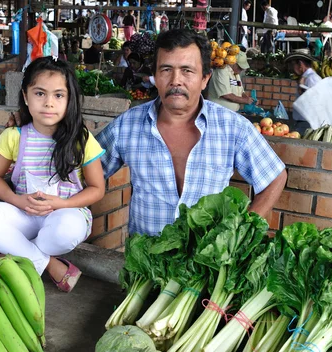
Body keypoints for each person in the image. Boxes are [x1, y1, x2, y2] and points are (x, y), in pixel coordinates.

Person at [96, 29, 287, 237]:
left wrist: (241, 233)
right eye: (166, 70)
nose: (176, 80)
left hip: (207, 265)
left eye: (187, 70)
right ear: (155, 77)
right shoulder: (127, 125)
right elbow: (84, 169)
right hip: (146, 264)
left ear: (205, 78)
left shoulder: (233, 128)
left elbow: (275, 177)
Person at [0, 57, 105, 292]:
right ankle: (49, 263)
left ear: (69, 99)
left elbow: (97, 189)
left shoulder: (81, 139)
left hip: (65, 215)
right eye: (40, 93)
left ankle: (19, 255)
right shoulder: (15, 136)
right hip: (24, 213)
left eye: (58, 95)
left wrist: (64, 203)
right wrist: (17, 200)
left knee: (67, 231)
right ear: (25, 96)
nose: (48, 103)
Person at [284, 50, 322, 131]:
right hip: (303, 121)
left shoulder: (311, 78)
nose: (291, 68)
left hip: (307, 123)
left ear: (300, 64)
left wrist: (301, 90)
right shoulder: (306, 77)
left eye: (292, 64)